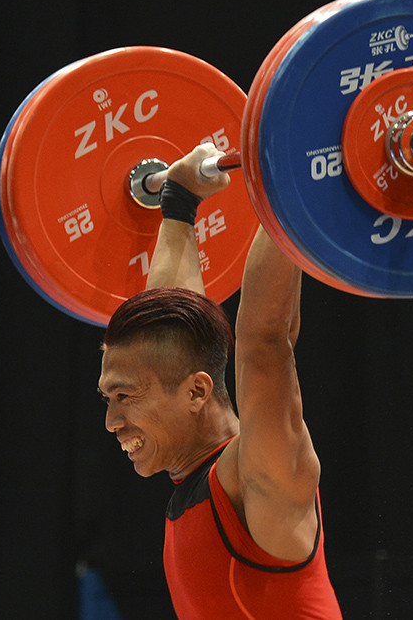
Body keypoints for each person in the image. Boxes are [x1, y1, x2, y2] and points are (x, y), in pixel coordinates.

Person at [98, 144, 342, 618]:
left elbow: (266, 342)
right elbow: (176, 328)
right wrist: (179, 203)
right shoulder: (196, 481)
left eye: (124, 397)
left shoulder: (260, 474)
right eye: (109, 398)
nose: (111, 422)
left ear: (196, 392)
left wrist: (292, 182)